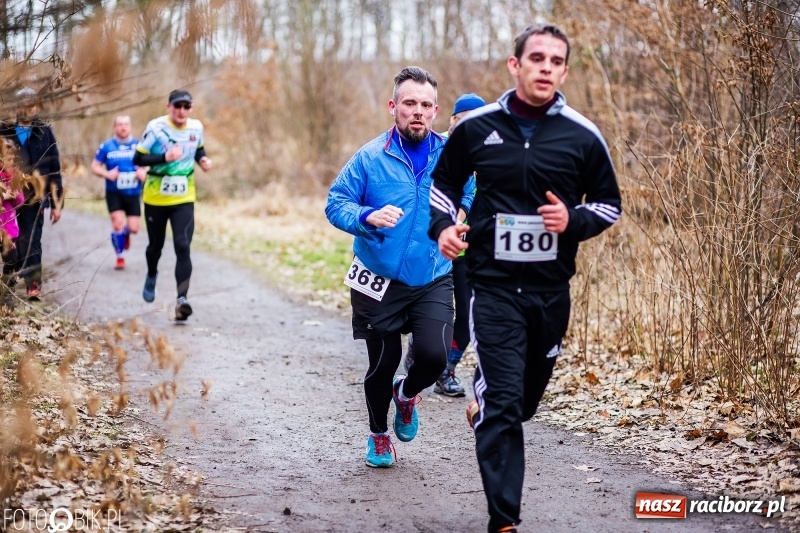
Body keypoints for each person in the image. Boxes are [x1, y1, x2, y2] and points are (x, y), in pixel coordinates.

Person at [428, 24, 622, 533]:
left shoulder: (582, 135)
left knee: (525, 401)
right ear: (515, 65)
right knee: (506, 404)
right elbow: (444, 184)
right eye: (536, 57)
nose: (545, 67)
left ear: (563, 70)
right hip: (492, 285)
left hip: (549, 292)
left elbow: (608, 205)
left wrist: (573, 222)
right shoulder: (478, 127)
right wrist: (445, 227)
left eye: (555, 61)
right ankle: (504, 519)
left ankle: (486, 402)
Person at [325, 66, 474, 468]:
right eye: (409, 103)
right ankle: (378, 435)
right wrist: (367, 216)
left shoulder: (452, 154)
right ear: (393, 107)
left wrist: (461, 212)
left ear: (436, 111)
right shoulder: (370, 158)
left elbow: (474, 187)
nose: (418, 111)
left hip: (431, 275)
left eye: (426, 105)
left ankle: (406, 396)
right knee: (382, 362)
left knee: (434, 356)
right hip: (377, 277)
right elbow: (335, 203)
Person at [406, 92, 487, 397]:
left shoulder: (493, 153)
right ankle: (420, 346)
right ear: (453, 120)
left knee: (467, 317)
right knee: (430, 309)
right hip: (435, 241)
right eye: (464, 120)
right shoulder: (435, 146)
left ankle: (446, 370)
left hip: (471, 247)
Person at [132, 89, 212, 321]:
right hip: (156, 197)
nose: (182, 111)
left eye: (186, 106)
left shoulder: (196, 128)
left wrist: (203, 160)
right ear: (169, 107)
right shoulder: (156, 128)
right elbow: (138, 159)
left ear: (191, 109)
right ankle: (151, 273)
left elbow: (198, 149)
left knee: (183, 245)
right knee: (155, 247)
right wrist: (163, 158)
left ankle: (182, 300)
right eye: (177, 106)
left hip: (184, 197)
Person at [0, 87, 64, 299]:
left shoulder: (44, 132)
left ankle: (33, 284)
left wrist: (57, 204)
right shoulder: (5, 130)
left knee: (33, 240)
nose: (27, 109)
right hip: (8, 198)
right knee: (10, 238)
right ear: (17, 107)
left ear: (36, 107)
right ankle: (9, 279)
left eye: (31, 105)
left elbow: (54, 168)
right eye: (23, 105)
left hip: (35, 197)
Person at [91, 115, 147, 270]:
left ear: (130, 126)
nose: (123, 127)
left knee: (134, 228)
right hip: (114, 192)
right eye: (120, 124)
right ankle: (120, 257)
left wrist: (144, 172)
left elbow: (149, 164)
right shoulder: (107, 146)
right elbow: (94, 166)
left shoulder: (139, 145)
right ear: (114, 127)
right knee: (117, 223)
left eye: (126, 124)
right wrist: (107, 174)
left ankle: (125, 233)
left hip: (133, 192)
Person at [0, 141, 25, 309]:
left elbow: (21, 200)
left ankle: (6, 292)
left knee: (12, 259)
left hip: (9, 228)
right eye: (7, 159)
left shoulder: (15, 176)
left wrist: (15, 196)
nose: (11, 162)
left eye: (13, 159)